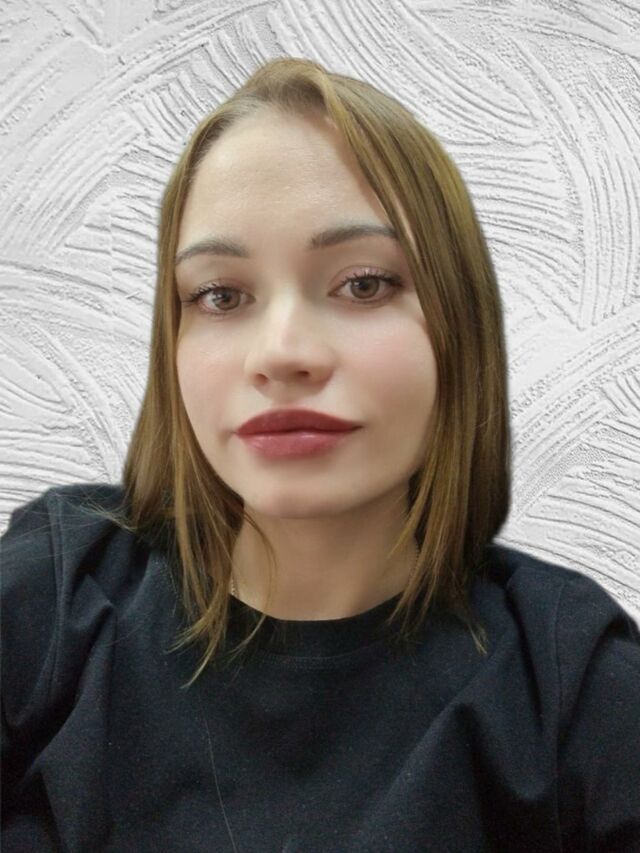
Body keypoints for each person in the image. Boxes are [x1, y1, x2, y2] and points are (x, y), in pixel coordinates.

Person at [1, 56, 639, 853]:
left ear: (460, 324)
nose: (283, 353)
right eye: (221, 295)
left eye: (363, 284)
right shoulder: (55, 596)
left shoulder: (576, 687)